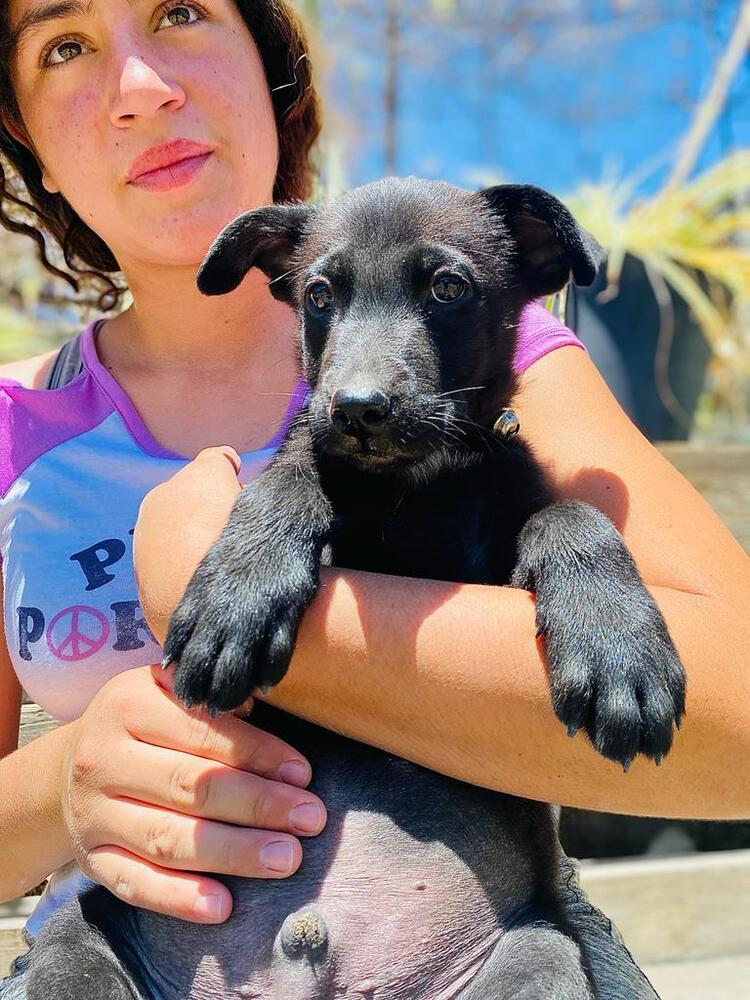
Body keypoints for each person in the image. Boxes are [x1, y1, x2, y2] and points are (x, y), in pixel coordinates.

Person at [0, 0, 748, 993]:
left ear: (273, 68)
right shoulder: (15, 433)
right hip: (139, 964)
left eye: (180, 10)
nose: (141, 88)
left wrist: (209, 587)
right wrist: (66, 778)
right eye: (64, 45)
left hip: (475, 956)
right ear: (20, 131)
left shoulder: (515, 367)